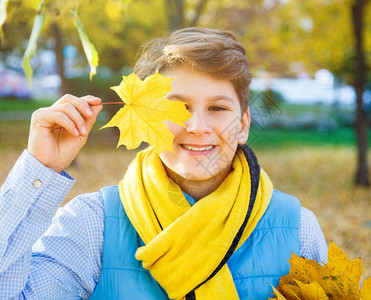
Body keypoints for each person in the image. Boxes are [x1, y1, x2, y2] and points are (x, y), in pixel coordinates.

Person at [0, 27, 327, 299]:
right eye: (179, 107)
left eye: (217, 108)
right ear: (144, 120)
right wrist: (38, 169)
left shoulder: (298, 230)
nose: (197, 126)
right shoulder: (91, 224)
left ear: (242, 125)